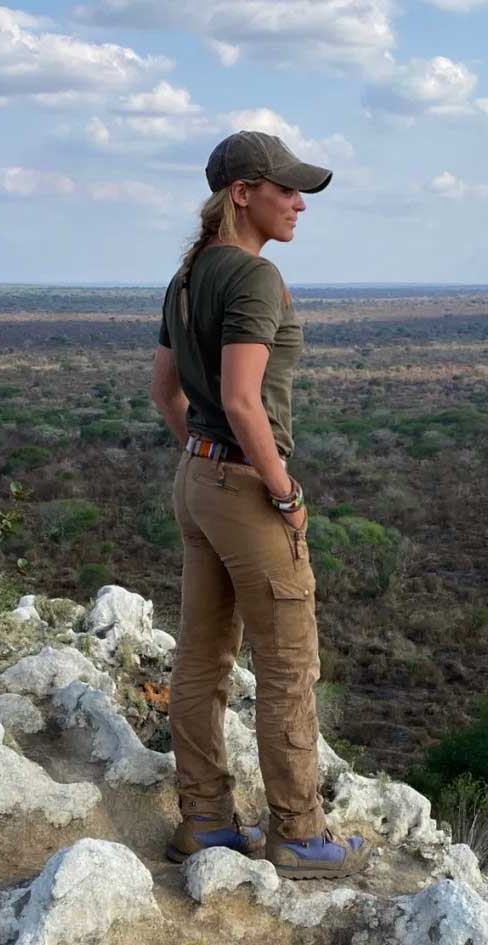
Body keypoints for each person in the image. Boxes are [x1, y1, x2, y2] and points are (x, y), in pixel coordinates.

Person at [151, 130, 371, 879]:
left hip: (198, 480)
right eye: (285, 188)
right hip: (244, 486)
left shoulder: (185, 279)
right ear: (241, 193)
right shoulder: (254, 279)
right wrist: (282, 489)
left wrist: (202, 456)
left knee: (202, 656)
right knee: (286, 665)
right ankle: (301, 834)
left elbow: (165, 393)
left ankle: (206, 820)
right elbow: (245, 400)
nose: (298, 201)